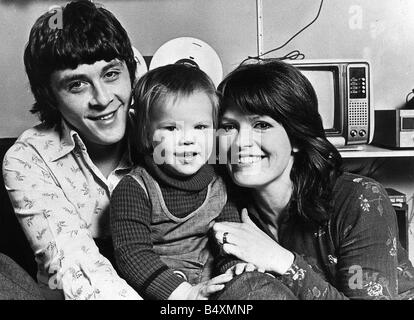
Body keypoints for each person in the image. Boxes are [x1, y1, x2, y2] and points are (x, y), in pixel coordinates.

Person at [212, 59, 414, 299]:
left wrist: (280, 260)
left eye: (262, 124)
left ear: (297, 138)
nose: (239, 143)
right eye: (228, 127)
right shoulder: (221, 199)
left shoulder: (360, 199)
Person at [2, 1, 142, 300]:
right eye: (77, 84)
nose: (102, 99)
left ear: (132, 71)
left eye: (111, 74)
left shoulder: (162, 134)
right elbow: (76, 269)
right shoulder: (27, 158)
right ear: (50, 95)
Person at [110, 64, 269, 300]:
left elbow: (229, 240)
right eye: (171, 128)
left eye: (201, 127)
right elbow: (133, 255)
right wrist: (183, 293)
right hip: (163, 292)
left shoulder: (221, 182)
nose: (187, 139)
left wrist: (235, 268)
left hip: (212, 288)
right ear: (145, 134)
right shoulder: (134, 188)